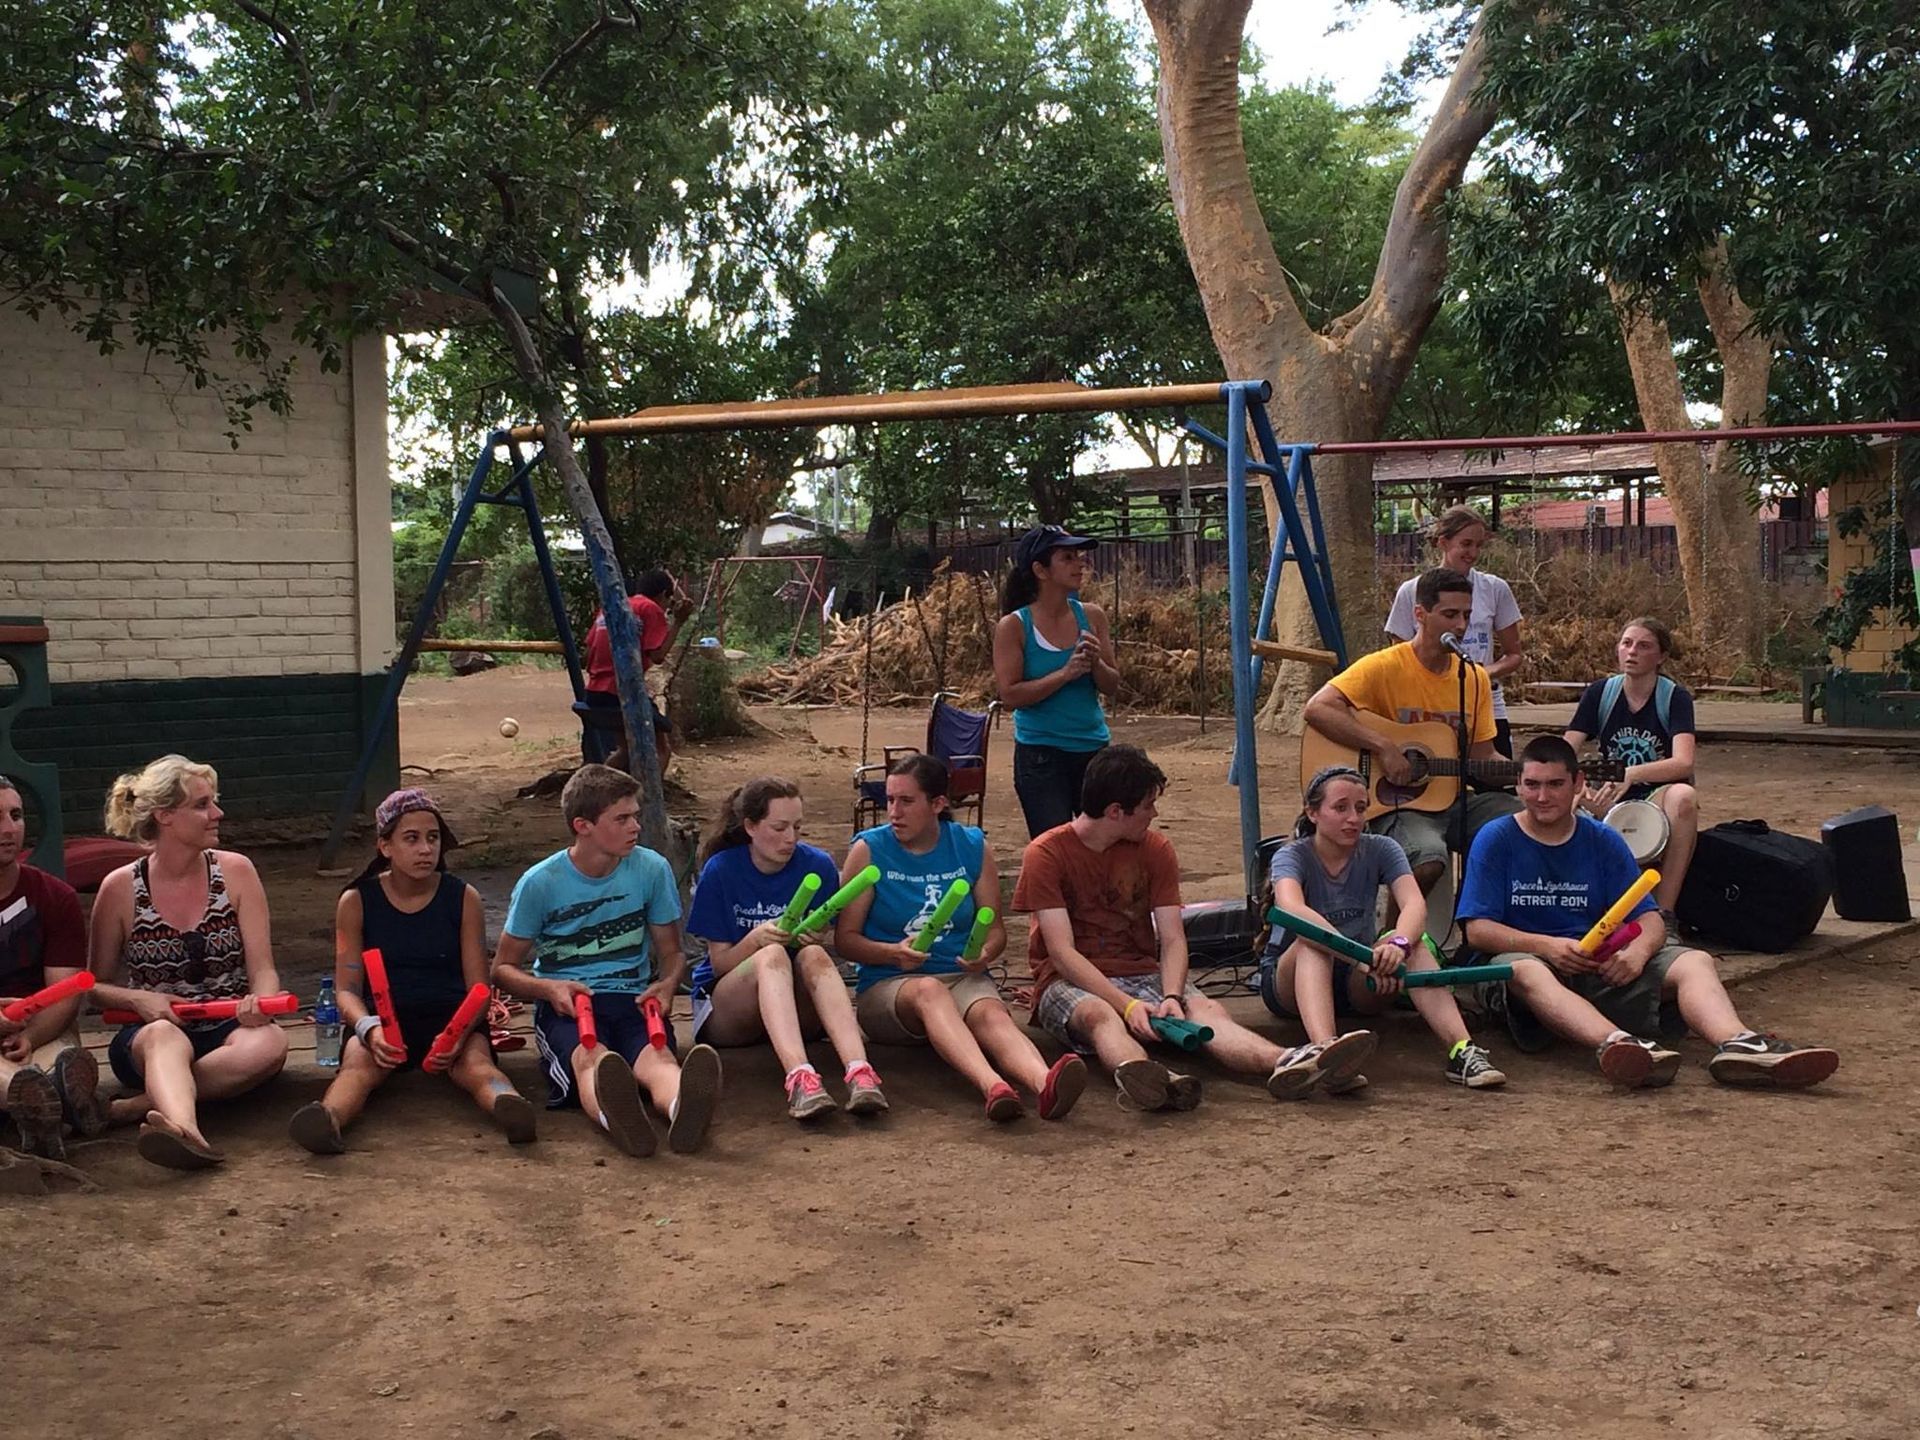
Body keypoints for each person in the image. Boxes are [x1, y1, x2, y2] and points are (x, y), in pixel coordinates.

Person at [1458, 735, 1838, 1089]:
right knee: (1526, 970)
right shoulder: (1497, 838)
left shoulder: (1603, 840)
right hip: (1528, 965)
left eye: (1555, 784)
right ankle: (1619, 1045)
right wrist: (1546, 946)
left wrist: (1637, 953)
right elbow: (1477, 931)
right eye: (1532, 785)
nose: (1542, 796)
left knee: (1695, 961)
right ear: (1518, 786)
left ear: (1578, 784)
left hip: (1595, 964)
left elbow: (1650, 918)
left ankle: (1740, 1044)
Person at [1013, 744, 1306, 1111]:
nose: (1154, 813)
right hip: (1068, 979)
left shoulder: (1155, 848)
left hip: (1142, 971)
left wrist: (1171, 995)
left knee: (1206, 1011)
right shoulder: (1046, 853)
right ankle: (1151, 1079)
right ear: (1115, 811)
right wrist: (1127, 1005)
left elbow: (1172, 938)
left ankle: (1288, 1061)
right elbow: (1062, 953)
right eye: (1148, 805)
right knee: (1099, 1016)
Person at [837, 754, 1086, 1122]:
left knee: (992, 1014)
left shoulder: (971, 846)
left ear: (938, 803)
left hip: (960, 974)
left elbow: (995, 930)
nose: (893, 812)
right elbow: (845, 940)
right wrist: (891, 953)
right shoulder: (869, 850)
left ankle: (1044, 1083)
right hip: (890, 984)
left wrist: (984, 954)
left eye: (906, 801)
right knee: (929, 991)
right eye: (889, 800)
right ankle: (993, 1087)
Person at [290, 790, 538, 1154]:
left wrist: (457, 1035)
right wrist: (369, 1029)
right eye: (411, 838)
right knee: (358, 1065)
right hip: (383, 1020)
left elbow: (480, 989)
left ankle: (510, 1106)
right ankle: (328, 1119)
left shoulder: (462, 897)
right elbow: (346, 990)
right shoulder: (356, 901)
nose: (426, 849)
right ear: (385, 846)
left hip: (453, 1017)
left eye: (433, 838)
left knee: (477, 1064)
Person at [491, 764, 721, 1156]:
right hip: (569, 1004)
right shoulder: (540, 883)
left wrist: (667, 985)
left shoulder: (651, 869)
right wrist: (549, 989)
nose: (636, 827)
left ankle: (682, 1108)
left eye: (635, 816)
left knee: (658, 1057)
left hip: (634, 997)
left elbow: (671, 952)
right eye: (622, 819)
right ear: (583, 826)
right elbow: (502, 970)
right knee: (590, 1059)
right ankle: (617, 1117)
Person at [88, 755, 289, 1169]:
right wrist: (139, 1000)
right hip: (151, 1034)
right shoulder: (120, 888)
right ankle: (186, 1131)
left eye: (214, 801)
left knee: (270, 1043)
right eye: (201, 805)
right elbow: (93, 985)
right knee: (164, 1036)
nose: (217, 813)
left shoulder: (236, 872)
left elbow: (263, 968)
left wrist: (261, 1003)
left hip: (229, 1026)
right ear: (165, 816)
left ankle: (146, 1104)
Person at [1259, 766, 1505, 1096]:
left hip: (1360, 974)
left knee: (1414, 945)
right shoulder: (1292, 855)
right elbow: (1293, 911)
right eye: (1340, 808)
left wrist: (1398, 945)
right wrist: (1359, 957)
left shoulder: (1381, 847)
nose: (1353, 818)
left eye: (1360, 808)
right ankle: (1327, 1054)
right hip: (1293, 979)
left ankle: (1463, 1051)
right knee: (1312, 942)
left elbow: (1414, 905)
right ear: (1313, 813)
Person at [1302, 567, 1521, 899]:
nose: (1460, 625)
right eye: (1450, 615)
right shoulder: (1385, 666)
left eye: (1466, 615)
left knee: (1532, 822)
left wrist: (1529, 775)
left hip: (1455, 799)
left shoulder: (1474, 677)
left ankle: (1484, 919)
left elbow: (1483, 756)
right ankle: (1398, 931)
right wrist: (1383, 746)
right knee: (1427, 858)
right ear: (1420, 614)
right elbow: (1317, 708)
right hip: (1396, 803)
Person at [685, 777, 887, 1121]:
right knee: (772, 954)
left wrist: (814, 936)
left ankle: (860, 1071)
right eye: (779, 828)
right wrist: (755, 940)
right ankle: (800, 1078)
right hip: (731, 1007)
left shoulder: (817, 865)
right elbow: (719, 964)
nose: (790, 838)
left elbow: (822, 938)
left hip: (795, 1002)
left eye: (797, 827)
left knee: (813, 954)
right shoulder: (721, 870)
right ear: (750, 826)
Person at [1564, 616, 1698, 915]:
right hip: (1607, 795)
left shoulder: (1674, 697)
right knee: (1557, 795)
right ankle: (1573, 907)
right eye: (1626, 643)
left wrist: (1631, 774)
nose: (1632, 651)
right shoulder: (1600, 693)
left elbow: (1684, 762)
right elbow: (1565, 751)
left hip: (1656, 795)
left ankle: (1664, 913)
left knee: (1685, 798)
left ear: (1661, 656)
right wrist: (1577, 784)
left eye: (1644, 646)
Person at [0, 776, 105, 1158]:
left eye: (16, 815)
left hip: (39, 1029)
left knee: (56, 1060)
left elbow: (65, 992)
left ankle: (41, 1101)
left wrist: (31, 1035)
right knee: (29, 1079)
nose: (9, 829)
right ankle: (50, 1103)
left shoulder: (55, 896)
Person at [992, 525, 1119, 838]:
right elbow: (1010, 696)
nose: (1079, 564)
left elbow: (1113, 685)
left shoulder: (1092, 616)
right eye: (1067, 557)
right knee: (1056, 847)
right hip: (1041, 756)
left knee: (1103, 843)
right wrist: (1065, 674)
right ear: (1040, 570)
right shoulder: (1014, 626)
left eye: (1078, 556)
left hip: (1093, 749)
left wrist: (1095, 663)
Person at [1384, 505, 1525, 756]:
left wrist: (1481, 674)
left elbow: (1514, 654)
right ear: (1443, 542)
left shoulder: (1495, 589)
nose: (1473, 553)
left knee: (1496, 773)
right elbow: (1400, 655)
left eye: (1479, 545)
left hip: (1485, 706)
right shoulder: (1412, 590)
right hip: (1428, 708)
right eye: (1466, 544)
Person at [584, 567, 692, 773]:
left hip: (594, 693)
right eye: (668, 603)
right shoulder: (650, 608)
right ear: (664, 594)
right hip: (621, 692)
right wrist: (678, 622)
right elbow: (657, 655)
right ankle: (649, 794)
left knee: (625, 750)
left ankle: (597, 786)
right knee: (661, 750)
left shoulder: (612, 607)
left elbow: (588, 651)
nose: (666, 609)